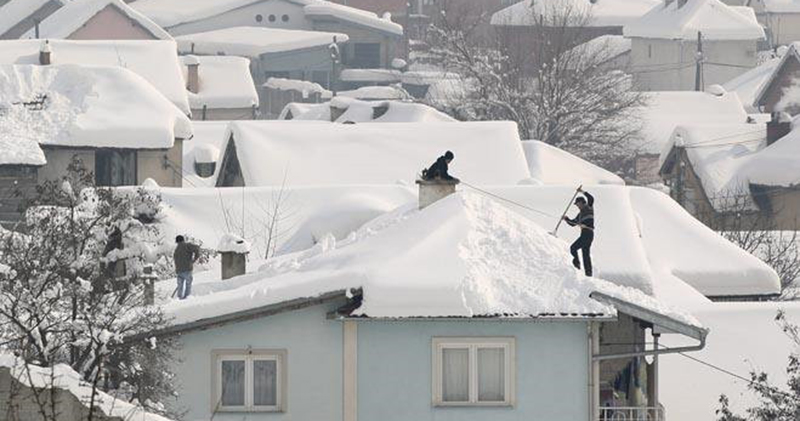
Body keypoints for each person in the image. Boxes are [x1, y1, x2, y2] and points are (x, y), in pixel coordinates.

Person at [563, 189, 595, 276]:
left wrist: (582, 191)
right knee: (585, 254)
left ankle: (577, 265)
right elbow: (573, 223)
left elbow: (591, 198)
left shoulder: (589, 208)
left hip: (588, 233)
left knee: (573, 248)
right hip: (585, 234)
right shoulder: (580, 215)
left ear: (581, 202)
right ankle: (588, 274)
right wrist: (566, 219)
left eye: (577, 204)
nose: (577, 206)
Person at [173, 235, 200, 299]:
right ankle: (187, 298)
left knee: (180, 286)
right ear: (183, 240)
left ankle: (179, 298)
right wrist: (194, 259)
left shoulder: (176, 250)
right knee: (188, 285)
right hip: (187, 269)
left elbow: (175, 260)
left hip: (179, 271)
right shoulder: (187, 245)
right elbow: (197, 248)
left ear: (177, 241)